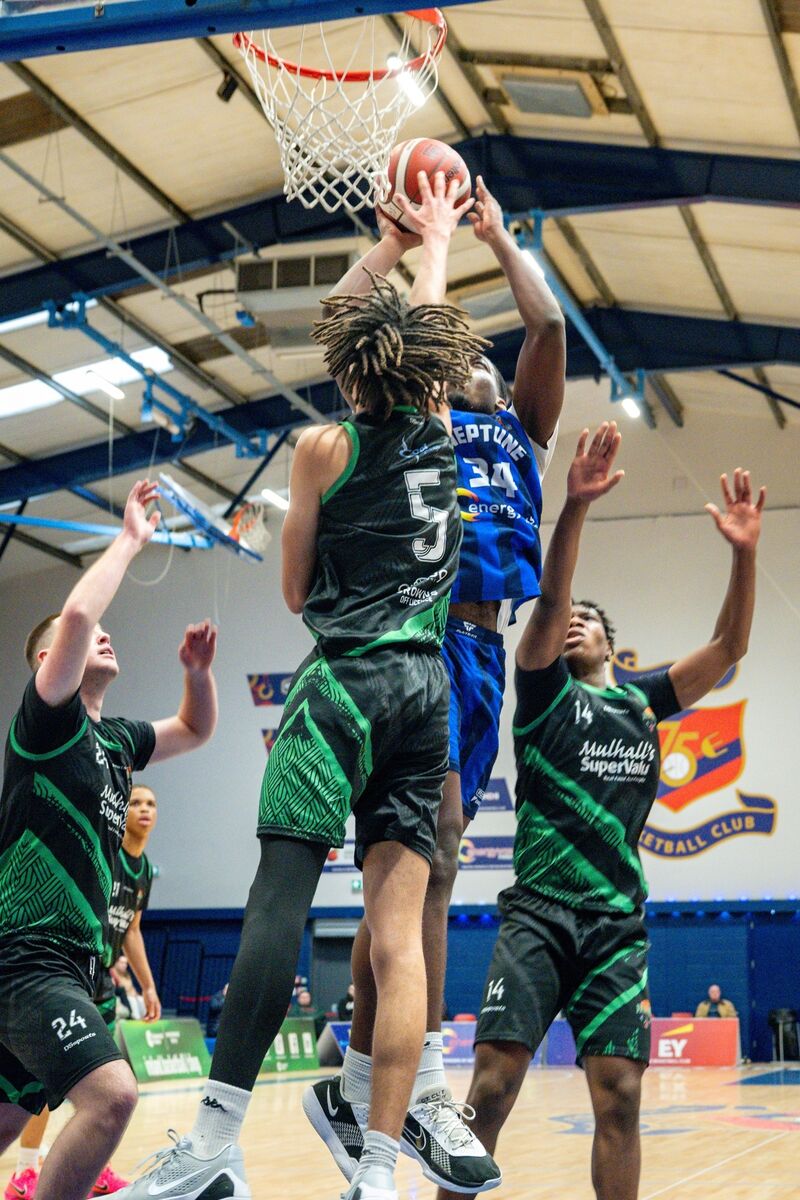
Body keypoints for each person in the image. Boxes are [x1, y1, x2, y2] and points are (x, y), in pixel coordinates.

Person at [118, 171, 485, 1200]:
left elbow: (291, 592)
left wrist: (388, 245)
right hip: (427, 694)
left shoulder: (323, 448)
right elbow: (424, 339)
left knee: (276, 902)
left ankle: (213, 1144)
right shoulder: (443, 434)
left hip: (344, 691)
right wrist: (434, 241)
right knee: (398, 939)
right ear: (427, 371)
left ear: (350, 369)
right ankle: (375, 1169)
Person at [305, 174, 564, 1195]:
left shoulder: (520, 431)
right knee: (433, 858)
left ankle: (365, 1079)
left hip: (482, 653)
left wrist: (499, 236)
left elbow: (542, 326)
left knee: (423, 873)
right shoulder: (418, 417)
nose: (487, 370)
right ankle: (412, 1087)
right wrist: (418, 246)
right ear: (442, 376)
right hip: (413, 640)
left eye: (490, 369)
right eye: (468, 365)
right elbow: (370, 331)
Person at [435, 443, 765, 1200]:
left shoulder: (642, 704)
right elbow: (551, 602)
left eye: (589, 620)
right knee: (491, 1087)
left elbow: (731, 646)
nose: (573, 621)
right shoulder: (545, 692)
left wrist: (745, 556)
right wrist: (575, 504)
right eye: (568, 618)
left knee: (619, 1095)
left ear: (612, 644)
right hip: (539, 919)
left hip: (616, 926)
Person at [0, 479, 218, 1200]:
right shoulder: (46, 726)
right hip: (26, 961)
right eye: (78, 637)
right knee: (114, 1097)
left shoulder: (118, 741)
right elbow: (80, 613)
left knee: (5, 1121)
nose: (101, 634)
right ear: (48, 665)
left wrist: (197, 676)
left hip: (78, 968)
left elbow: (194, 729)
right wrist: (130, 538)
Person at [3, 779, 162, 1197]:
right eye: (136, 802)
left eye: (151, 803)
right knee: (48, 1084)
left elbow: (133, 932)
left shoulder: (143, 870)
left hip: (101, 981)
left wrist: (147, 986)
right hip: (55, 973)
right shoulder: (99, 855)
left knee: (88, 1086)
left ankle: (96, 1166)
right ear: (119, 811)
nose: (144, 809)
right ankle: (25, 1169)